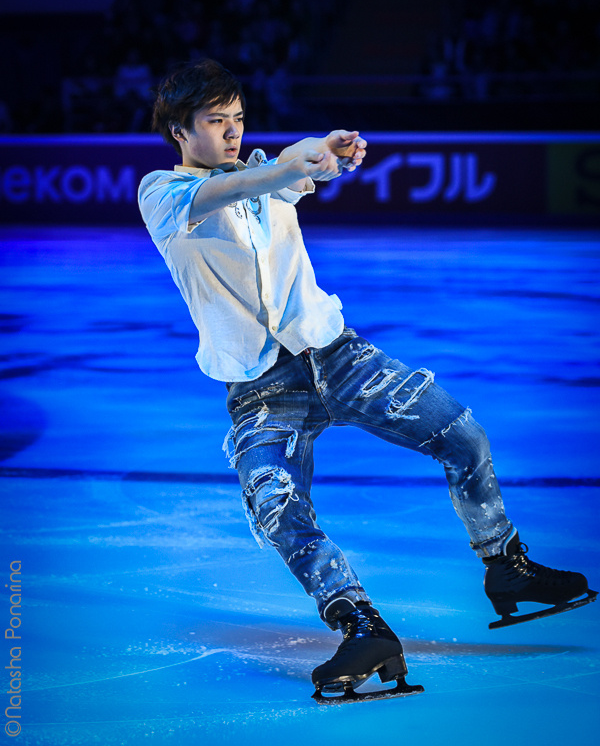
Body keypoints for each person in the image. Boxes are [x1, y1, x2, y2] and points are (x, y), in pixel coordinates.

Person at [138, 59, 596, 703]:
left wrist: (326, 154)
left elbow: (297, 166)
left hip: (335, 353)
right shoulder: (161, 192)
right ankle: (361, 624)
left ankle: (507, 566)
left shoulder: (266, 172)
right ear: (180, 132)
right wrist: (288, 168)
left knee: (462, 434)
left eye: (238, 118)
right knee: (277, 508)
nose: (233, 133)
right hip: (262, 386)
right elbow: (236, 188)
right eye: (217, 122)